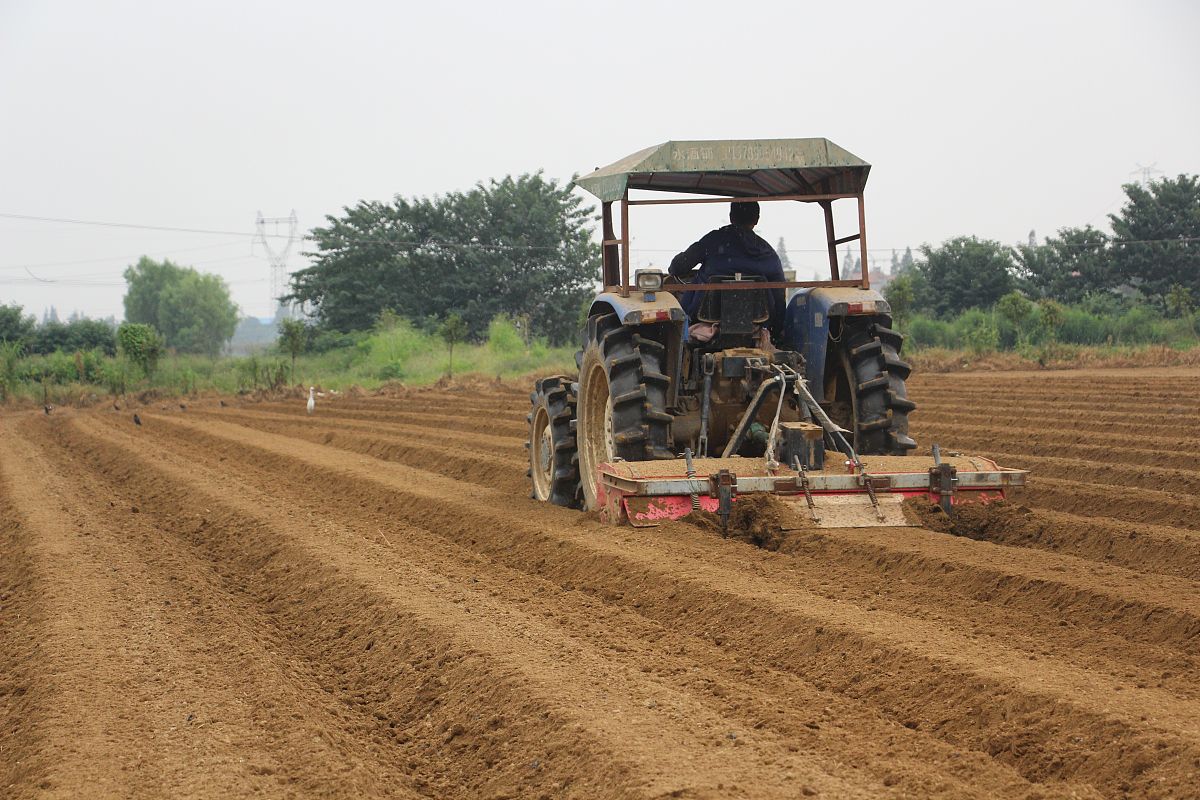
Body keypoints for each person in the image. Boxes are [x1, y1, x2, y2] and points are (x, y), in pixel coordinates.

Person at [668, 201, 786, 339]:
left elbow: (678, 266)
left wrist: (675, 267)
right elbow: (779, 294)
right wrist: (777, 332)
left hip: (704, 316)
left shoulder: (713, 240)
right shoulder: (767, 251)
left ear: (731, 216)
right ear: (757, 219)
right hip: (756, 321)